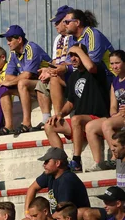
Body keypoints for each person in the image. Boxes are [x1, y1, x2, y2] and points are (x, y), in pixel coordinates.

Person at [44, 43, 110, 172]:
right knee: (49, 125)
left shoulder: (98, 69)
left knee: (76, 119)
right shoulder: (73, 77)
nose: (73, 59)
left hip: (97, 118)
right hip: (79, 124)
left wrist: (78, 50)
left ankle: (76, 161)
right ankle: (61, 162)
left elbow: (90, 67)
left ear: (83, 55)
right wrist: (60, 114)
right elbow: (71, 102)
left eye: (76, 55)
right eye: (71, 56)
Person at [0, 25, 52, 135]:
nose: (8, 43)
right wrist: (9, 82)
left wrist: (12, 81)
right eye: (7, 40)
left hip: (48, 84)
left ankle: (26, 123)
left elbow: (27, 75)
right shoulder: (13, 53)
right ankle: (8, 126)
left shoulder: (31, 48)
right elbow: (8, 77)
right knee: (3, 88)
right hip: (33, 85)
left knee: (22, 83)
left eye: (10, 39)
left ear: (19, 40)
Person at [85, 50, 125, 170]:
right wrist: (114, 114)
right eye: (112, 64)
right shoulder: (115, 81)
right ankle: (98, 162)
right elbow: (113, 106)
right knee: (90, 126)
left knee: (107, 124)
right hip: (120, 115)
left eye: (117, 63)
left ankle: (115, 157)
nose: (114, 66)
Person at [36, 5, 73, 128]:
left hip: (71, 73)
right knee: (41, 82)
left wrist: (52, 71)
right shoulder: (58, 38)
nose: (55, 25)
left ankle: (58, 117)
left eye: (57, 22)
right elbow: (55, 60)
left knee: (53, 78)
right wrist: (48, 69)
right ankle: (46, 118)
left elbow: (71, 62)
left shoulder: (73, 36)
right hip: (60, 71)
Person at [24, 147, 90, 215]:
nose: (44, 165)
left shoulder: (67, 180)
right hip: (60, 218)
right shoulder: (50, 174)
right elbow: (32, 188)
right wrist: (27, 213)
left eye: (47, 161)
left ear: (57, 163)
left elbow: (62, 211)